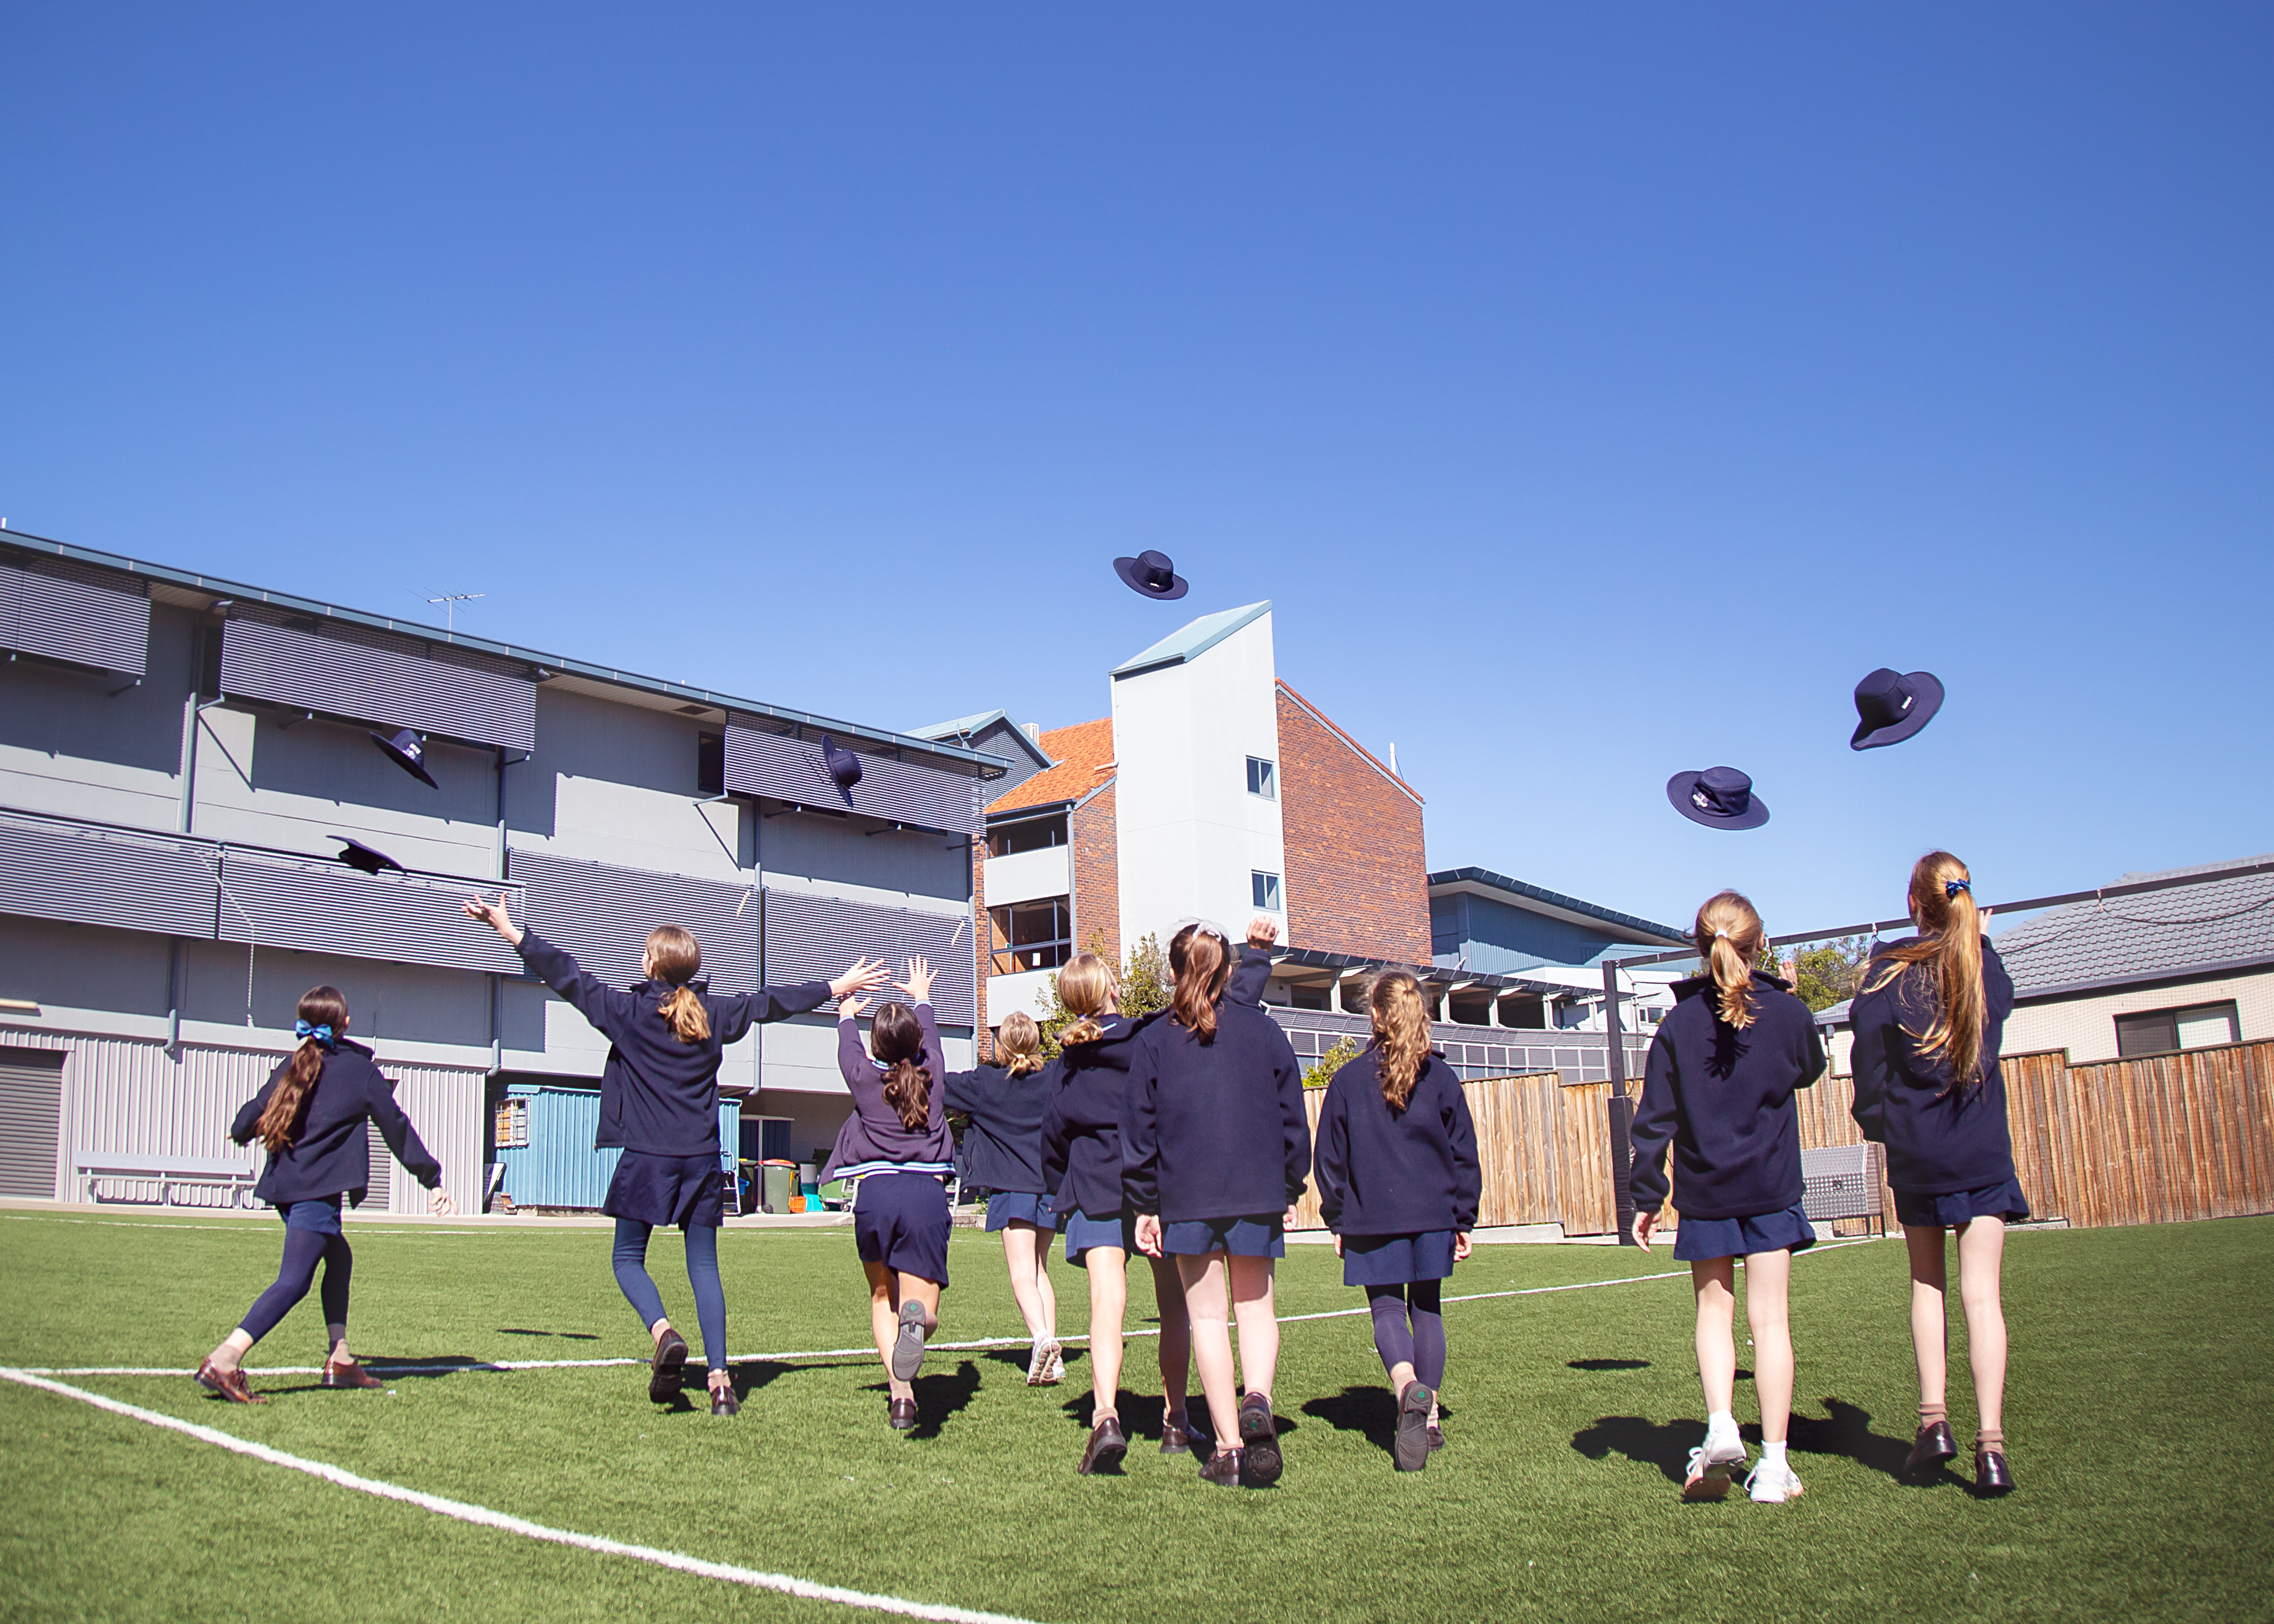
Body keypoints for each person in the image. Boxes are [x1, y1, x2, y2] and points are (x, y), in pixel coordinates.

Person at [465, 893, 884, 1416]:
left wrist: (511, 931)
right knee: (703, 1267)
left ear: (650, 965)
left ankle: (663, 1332)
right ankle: (720, 1383)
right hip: (702, 1159)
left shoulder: (629, 1012)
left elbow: (569, 976)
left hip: (647, 1157)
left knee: (625, 1259)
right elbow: (769, 1002)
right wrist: (834, 986)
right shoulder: (712, 1014)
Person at [1039, 920, 1276, 1476]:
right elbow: (1220, 1006)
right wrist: (1257, 959)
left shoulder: (1069, 1062)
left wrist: (1057, 1188)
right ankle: (1174, 1419)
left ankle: (1104, 1415)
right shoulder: (1149, 1034)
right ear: (1113, 990)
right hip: (1155, 1184)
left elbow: (1052, 1134)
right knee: (1177, 1308)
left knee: (1106, 1304)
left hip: (1096, 1187)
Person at [1629, 890, 1826, 1504]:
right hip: (1770, 1188)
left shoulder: (1677, 1024)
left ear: (1700, 946)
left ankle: (1719, 1426)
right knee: (1769, 1323)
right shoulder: (1788, 1015)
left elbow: (1653, 1119)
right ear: (1758, 944)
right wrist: (1788, 1003)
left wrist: (1646, 1195)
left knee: (1713, 1315)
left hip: (1705, 1190)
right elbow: (1809, 1069)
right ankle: (1772, 1465)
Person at [1849, 851, 2023, 1494]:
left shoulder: (1888, 972)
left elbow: (1869, 1070)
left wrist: (1882, 1128)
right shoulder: (1984, 962)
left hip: (1920, 1152)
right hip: (1981, 1149)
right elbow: (1993, 1008)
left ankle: (1935, 1424)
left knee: (1929, 1286)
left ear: (1912, 903)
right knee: (1983, 1297)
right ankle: (1993, 1449)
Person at [195, 985, 455, 1403]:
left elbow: (256, 1109)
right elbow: (398, 1129)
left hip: (286, 1187)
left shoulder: (295, 1063)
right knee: (293, 1282)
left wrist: (240, 1131)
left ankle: (341, 1357)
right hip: (316, 1193)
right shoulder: (360, 1073)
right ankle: (226, 1359)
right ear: (345, 1023)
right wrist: (433, 1179)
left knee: (339, 1255)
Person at [1127, 921, 1311, 1489]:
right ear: (1228, 971)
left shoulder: (1153, 1040)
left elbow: (1139, 1133)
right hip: (1255, 1188)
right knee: (1256, 1309)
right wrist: (1289, 1186)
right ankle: (1257, 1396)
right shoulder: (1263, 1032)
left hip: (1186, 1195)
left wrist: (1144, 1205)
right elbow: (1292, 1119)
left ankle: (1229, 1447)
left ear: (1174, 973)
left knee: (1206, 1317)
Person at [1313, 968, 1481, 1472]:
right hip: (1433, 1215)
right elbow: (1464, 1154)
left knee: (1387, 1310)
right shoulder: (1443, 1078)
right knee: (1426, 1308)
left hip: (1369, 1216)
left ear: (1377, 1015)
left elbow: (1328, 1160)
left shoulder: (1345, 1081)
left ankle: (1407, 1387)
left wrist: (1337, 1218)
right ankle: (1427, 1422)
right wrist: (1463, 1218)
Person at [824, 957, 957, 1431]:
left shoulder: (863, 1078)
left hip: (876, 1195)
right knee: (923, 1310)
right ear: (919, 1046)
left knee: (883, 1296)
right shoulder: (934, 1074)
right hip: (926, 1195)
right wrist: (923, 995)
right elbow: (931, 1035)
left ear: (876, 1046)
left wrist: (847, 1007)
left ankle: (901, 1396)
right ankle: (919, 1322)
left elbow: (846, 1045)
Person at [944, 1010, 1062, 1386]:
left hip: (1013, 1191)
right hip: (1047, 1189)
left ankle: (1042, 1339)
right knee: (1040, 1271)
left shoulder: (986, 1083)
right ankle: (1053, 1354)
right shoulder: (1053, 1081)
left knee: (1021, 1274)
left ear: (1001, 1044)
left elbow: (936, 1084)